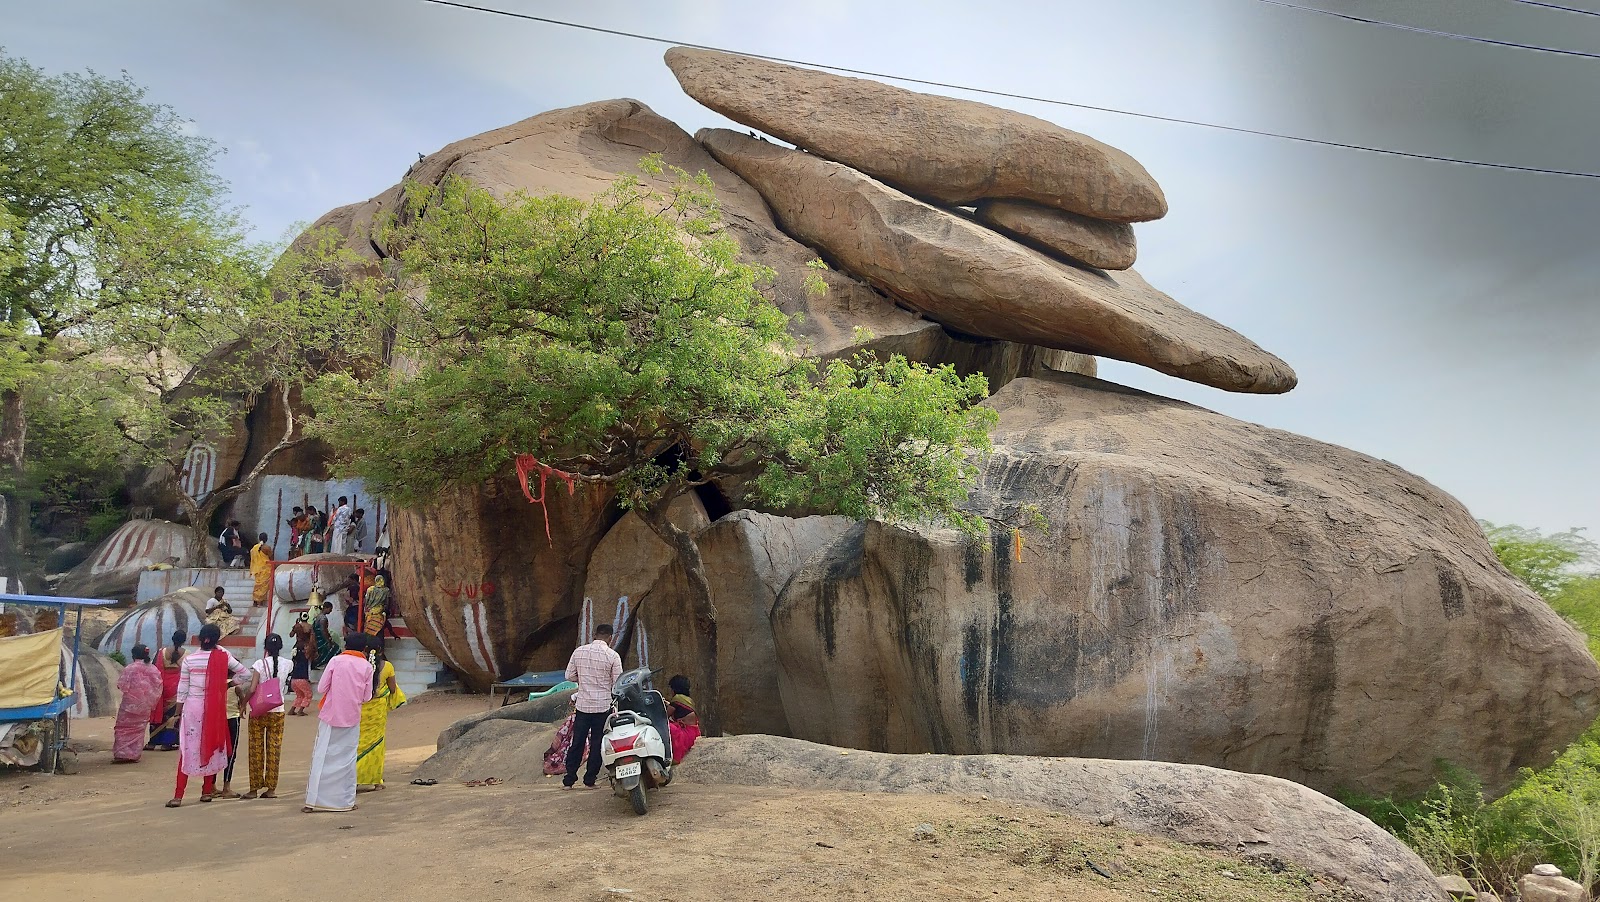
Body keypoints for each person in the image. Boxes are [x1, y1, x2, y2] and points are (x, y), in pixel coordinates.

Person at [166, 623, 247, 807]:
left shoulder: (190, 660)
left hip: (192, 708)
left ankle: (179, 795)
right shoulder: (222, 656)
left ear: (200, 638)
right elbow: (245, 673)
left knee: (187, 749)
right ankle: (206, 791)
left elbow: (182, 689)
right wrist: (227, 684)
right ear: (217, 640)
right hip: (214, 708)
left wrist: (177, 714)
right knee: (212, 746)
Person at [304, 632, 374, 813]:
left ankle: (312, 802)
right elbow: (367, 697)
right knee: (347, 760)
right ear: (364, 648)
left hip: (330, 715)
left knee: (322, 756)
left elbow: (321, 688)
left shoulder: (335, 661)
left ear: (345, 645)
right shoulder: (367, 666)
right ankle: (344, 802)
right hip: (352, 717)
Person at [562, 623, 622, 789]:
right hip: (603, 706)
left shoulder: (579, 652)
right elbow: (617, 683)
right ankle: (590, 780)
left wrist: (583, 679)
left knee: (578, 742)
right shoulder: (613, 656)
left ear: (594, 635)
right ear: (610, 638)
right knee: (598, 743)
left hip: (583, 705)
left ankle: (569, 779)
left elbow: (569, 676)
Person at [243, 633, 292, 799]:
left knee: (256, 749)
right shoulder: (288, 664)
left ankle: (254, 788)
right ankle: (271, 788)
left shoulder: (259, 664)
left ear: (265, 648)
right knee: (274, 749)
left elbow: (251, 689)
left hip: (259, 710)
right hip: (278, 710)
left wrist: (243, 704)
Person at [355, 637, 406, 791]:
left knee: (358, 743)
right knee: (376, 744)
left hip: (360, 709)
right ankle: (376, 781)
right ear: (381, 650)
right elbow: (392, 689)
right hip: (378, 711)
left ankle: (354, 778)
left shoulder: (360, 665)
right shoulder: (388, 666)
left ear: (365, 649)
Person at [113, 644, 163, 763]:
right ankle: (134, 754)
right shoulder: (153, 669)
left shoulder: (130, 668)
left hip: (129, 705)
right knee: (139, 730)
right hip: (145, 706)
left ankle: (122, 753)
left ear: (134, 655)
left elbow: (122, 685)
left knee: (123, 728)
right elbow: (159, 685)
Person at [147, 630, 186, 751]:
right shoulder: (187, 654)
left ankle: (152, 742)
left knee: (159, 713)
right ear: (184, 640)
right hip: (177, 688)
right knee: (173, 716)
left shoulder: (161, 652)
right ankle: (167, 743)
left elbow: (153, 668)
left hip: (162, 686)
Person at [665, 674, 700, 765]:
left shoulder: (676, 699)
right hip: (692, 733)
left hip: (684, 734)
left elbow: (665, 715)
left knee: (667, 726)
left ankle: (676, 758)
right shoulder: (688, 699)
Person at [310, 597, 340, 668]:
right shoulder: (323, 619)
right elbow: (323, 631)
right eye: (330, 609)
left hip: (317, 638)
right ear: (326, 608)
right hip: (321, 639)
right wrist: (328, 641)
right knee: (336, 649)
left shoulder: (318, 616)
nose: (331, 611)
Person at [288, 639, 313, 715]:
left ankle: (292, 710)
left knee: (300, 695)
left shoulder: (296, 658)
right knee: (308, 694)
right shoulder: (304, 657)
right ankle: (301, 710)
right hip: (301, 679)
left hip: (293, 680)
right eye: (306, 646)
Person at [249, 532, 274, 605]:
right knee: (263, 586)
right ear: (266, 539)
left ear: (259, 538)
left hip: (257, 569)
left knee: (257, 585)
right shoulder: (266, 547)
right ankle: (260, 602)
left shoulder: (254, 548)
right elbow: (271, 557)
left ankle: (255, 601)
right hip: (266, 569)